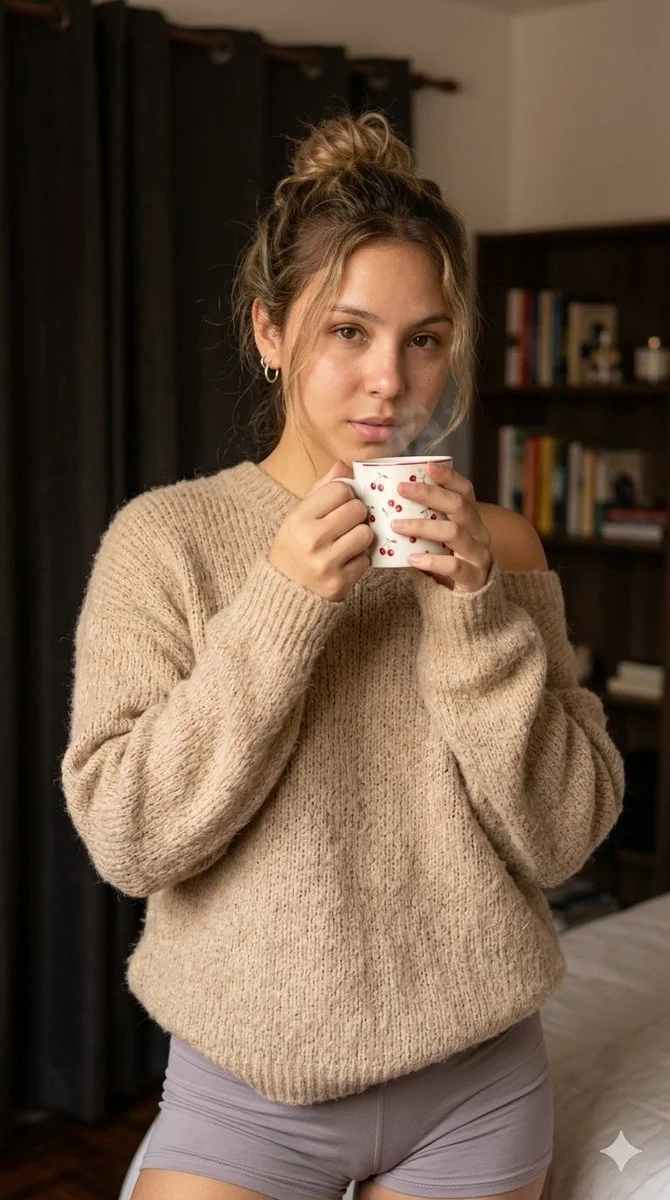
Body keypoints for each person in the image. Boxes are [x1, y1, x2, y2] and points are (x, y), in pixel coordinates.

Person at [61, 111, 625, 1200]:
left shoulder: (501, 545)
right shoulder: (165, 540)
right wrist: (282, 605)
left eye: (424, 339)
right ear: (270, 332)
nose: (388, 381)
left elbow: (564, 838)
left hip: (477, 1084)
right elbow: (130, 839)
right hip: (246, 1094)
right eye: (348, 332)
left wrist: (475, 615)